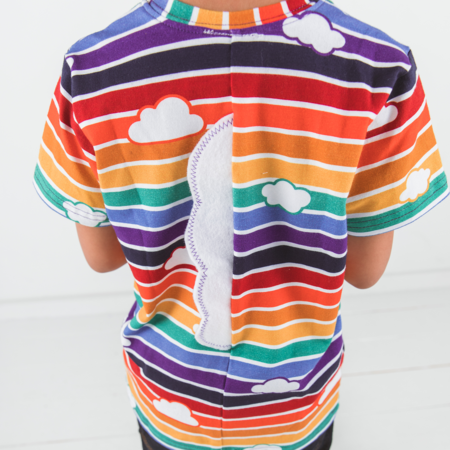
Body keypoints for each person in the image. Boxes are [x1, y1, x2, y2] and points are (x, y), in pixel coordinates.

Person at [33, 0, 448, 449]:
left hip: (169, 391)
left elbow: (101, 257)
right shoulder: (379, 66)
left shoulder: (93, 67)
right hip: (296, 396)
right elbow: (366, 271)